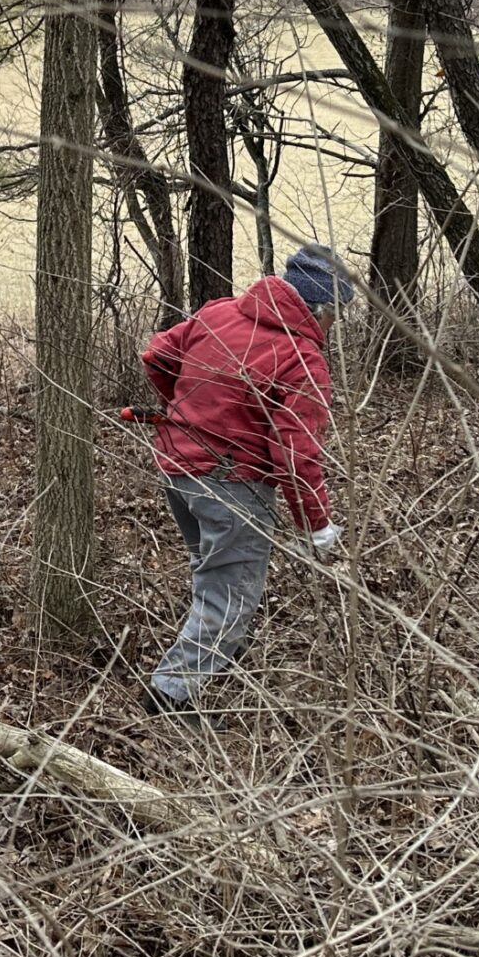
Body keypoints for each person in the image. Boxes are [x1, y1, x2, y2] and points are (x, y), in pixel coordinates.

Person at [135, 242, 354, 713]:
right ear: (322, 308)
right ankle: (171, 697)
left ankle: (212, 658)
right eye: (337, 314)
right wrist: (316, 524)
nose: (335, 326)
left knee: (211, 573)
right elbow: (294, 454)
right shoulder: (303, 359)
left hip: (178, 467)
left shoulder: (220, 313)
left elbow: (157, 354)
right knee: (230, 595)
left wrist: (187, 412)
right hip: (232, 483)